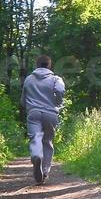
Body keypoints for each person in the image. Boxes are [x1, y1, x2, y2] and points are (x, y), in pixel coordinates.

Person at [21, 55, 65, 184]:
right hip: (50, 113)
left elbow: (23, 100)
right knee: (47, 141)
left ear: (37, 65)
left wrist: (28, 106)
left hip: (33, 112)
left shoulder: (29, 79)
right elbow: (60, 90)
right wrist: (57, 102)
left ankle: (36, 155)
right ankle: (45, 171)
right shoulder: (56, 79)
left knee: (35, 137)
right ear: (49, 65)